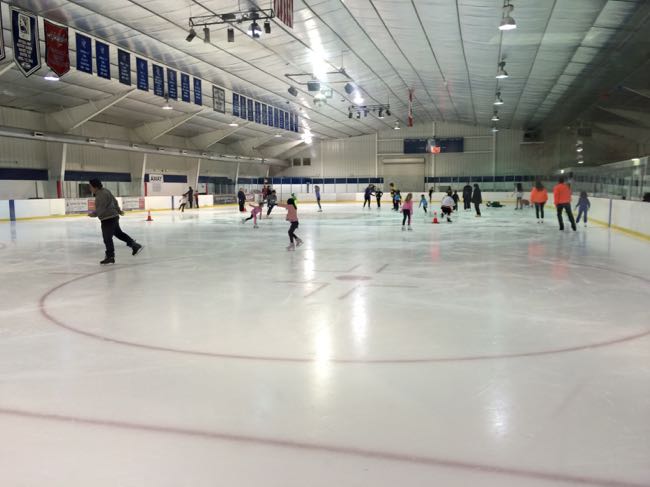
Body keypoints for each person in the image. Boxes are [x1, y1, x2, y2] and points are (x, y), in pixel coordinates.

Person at [88, 178, 143, 265]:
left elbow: (101, 209)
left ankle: (110, 257)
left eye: (90, 186)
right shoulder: (106, 191)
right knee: (119, 233)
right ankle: (134, 245)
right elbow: (115, 201)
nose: (89, 188)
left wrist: (93, 214)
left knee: (107, 238)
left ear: (95, 187)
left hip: (108, 219)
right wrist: (119, 211)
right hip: (113, 217)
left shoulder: (100, 195)